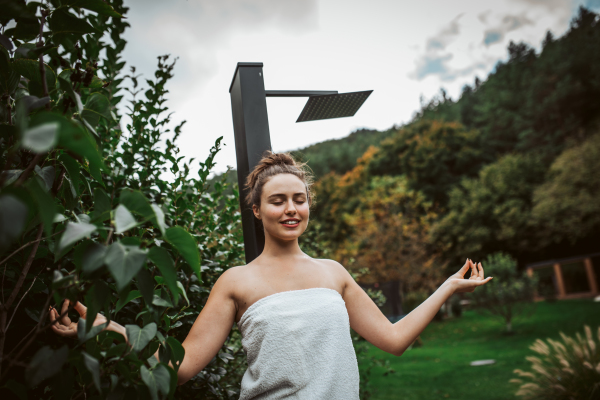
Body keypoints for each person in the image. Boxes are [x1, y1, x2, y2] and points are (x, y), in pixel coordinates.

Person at [50, 151, 493, 399]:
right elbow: (181, 366)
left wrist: (448, 286)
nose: (291, 209)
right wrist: (101, 326)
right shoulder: (236, 281)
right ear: (257, 209)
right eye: (278, 200)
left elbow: (394, 340)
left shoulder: (333, 273)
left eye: (299, 198)